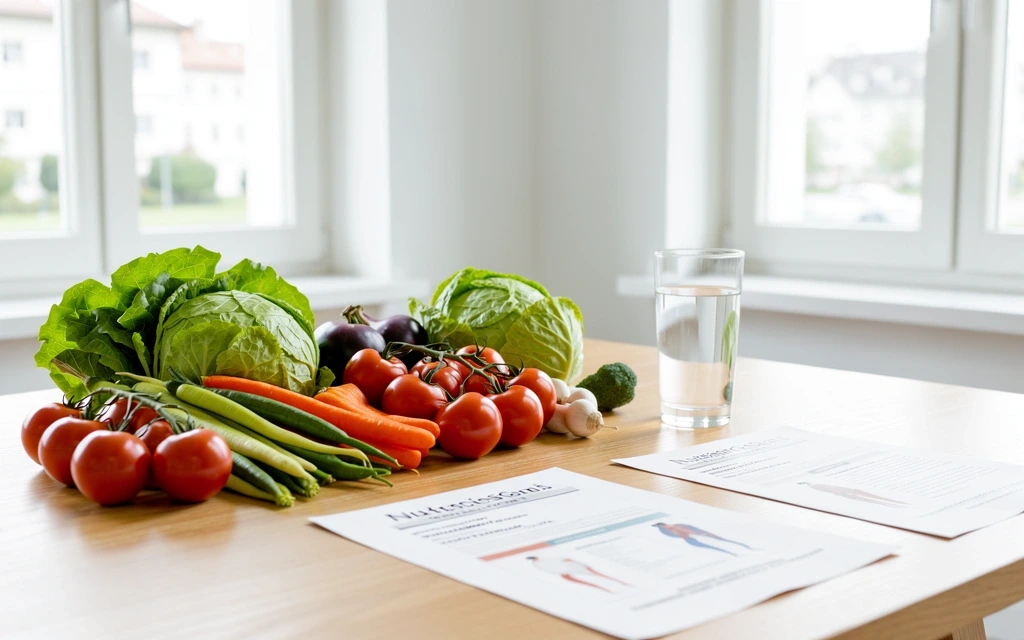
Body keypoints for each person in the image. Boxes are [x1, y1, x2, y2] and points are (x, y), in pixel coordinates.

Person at [525, 556, 631, 593]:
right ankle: (609, 589)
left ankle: (617, 586)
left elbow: (562, 561)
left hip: (567, 569)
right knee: (591, 579)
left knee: (596, 576)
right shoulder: (540, 564)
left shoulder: (543, 562)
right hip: (564, 570)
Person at [652, 522, 753, 556]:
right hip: (692, 539)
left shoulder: (679, 525)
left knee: (722, 540)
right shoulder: (670, 532)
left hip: (700, 534)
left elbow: (692, 528)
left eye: (664, 525)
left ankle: (746, 547)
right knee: (712, 547)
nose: (665, 527)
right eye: (662, 527)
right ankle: (731, 554)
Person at [796, 481, 910, 507]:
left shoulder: (816, 485)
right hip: (844, 492)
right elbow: (833, 489)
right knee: (868, 499)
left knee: (869, 498)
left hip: (845, 491)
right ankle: (895, 503)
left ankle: (896, 503)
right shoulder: (815, 486)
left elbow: (832, 489)